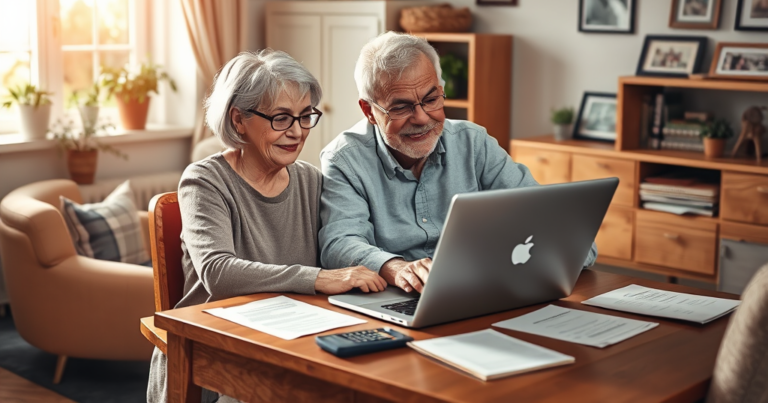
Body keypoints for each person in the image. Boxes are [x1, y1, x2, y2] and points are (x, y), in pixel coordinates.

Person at [147, 50, 386, 403]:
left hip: (293, 342)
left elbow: (345, 246)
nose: (296, 132)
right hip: (209, 355)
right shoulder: (204, 180)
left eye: (306, 117)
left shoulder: (311, 180)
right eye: (281, 119)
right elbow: (218, 273)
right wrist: (319, 278)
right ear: (238, 119)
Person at [319, 32, 598, 295]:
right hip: (398, 296)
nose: (422, 118)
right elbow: (338, 244)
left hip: (481, 289)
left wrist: (568, 247)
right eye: (401, 107)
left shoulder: (473, 142)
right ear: (369, 110)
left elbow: (544, 216)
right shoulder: (344, 159)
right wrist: (396, 268)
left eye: (431, 99)